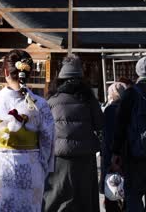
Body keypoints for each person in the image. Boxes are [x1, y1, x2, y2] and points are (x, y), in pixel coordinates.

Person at [0, 50, 55, 212]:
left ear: (5, 72)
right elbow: (47, 140)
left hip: (0, 167)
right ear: (29, 72)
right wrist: (43, 166)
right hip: (30, 166)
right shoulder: (40, 104)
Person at [42, 54, 104, 212]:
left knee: (55, 198)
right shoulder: (90, 100)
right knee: (84, 200)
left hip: (58, 157)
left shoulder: (52, 100)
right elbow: (100, 125)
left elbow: (44, 130)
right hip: (84, 157)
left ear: (60, 79)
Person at [111, 56, 146, 212]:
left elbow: (120, 125)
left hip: (134, 155)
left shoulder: (130, 94)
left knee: (133, 196)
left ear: (137, 72)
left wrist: (116, 152)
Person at [101, 82, 127, 212]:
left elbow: (107, 135)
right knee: (124, 189)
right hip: (126, 153)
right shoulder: (129, 108)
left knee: (111, 188)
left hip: (110, 154)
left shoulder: (110, 110)